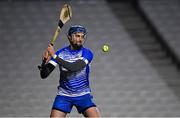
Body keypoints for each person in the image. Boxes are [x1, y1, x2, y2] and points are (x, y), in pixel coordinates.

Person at [39, 25, 100, 117]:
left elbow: (74, 67)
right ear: (69, 37)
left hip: (83, 95)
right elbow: (44, 75)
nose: (80, 39)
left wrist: (54, 56)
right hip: (64, 95)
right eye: (77, 36)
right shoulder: (61, 53)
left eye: (82, 36)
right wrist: (44, 62)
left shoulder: (87, 53)